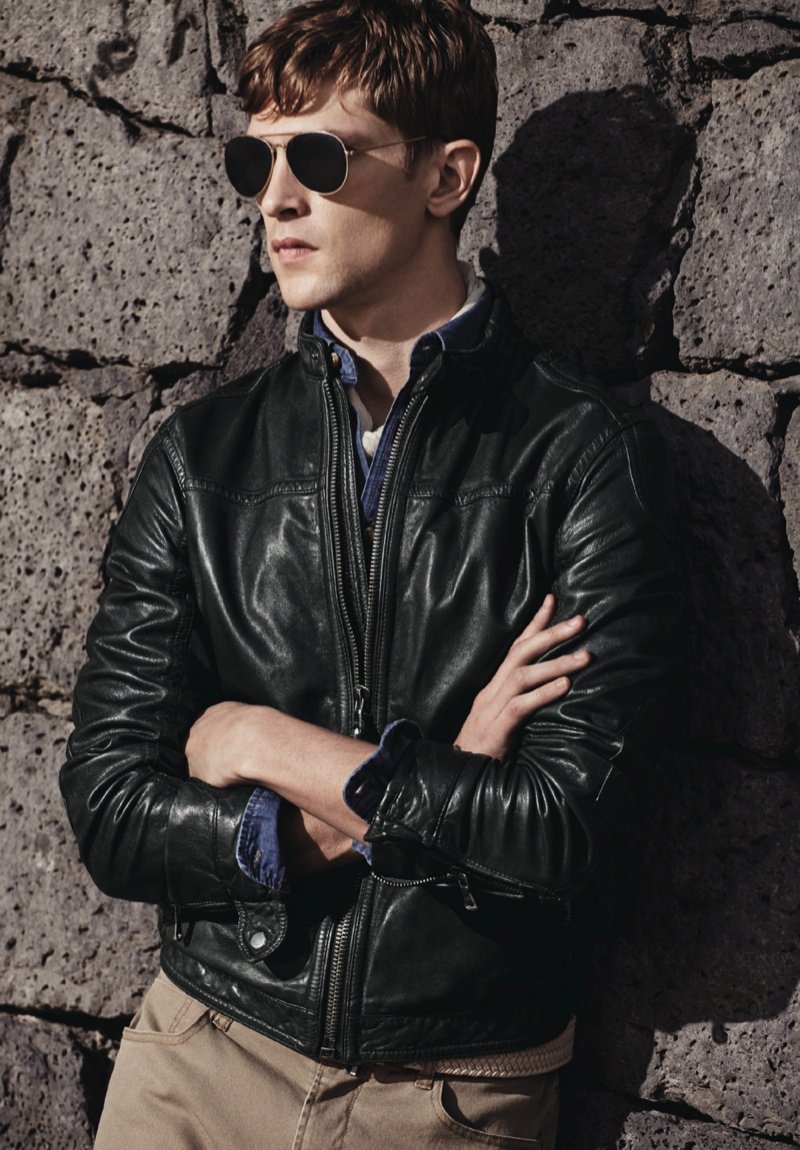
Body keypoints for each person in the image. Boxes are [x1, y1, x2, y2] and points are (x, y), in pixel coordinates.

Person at [60, 1, 686, 1146]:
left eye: (318, 158)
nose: (274, 197)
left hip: (447, 1090)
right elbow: (110, 811)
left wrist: (258, 739)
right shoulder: (202, 458)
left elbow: (561, 832)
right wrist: (434, 779)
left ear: (447, 176)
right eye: (255, 160)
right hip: (198, 1055)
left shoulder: (577, 460)